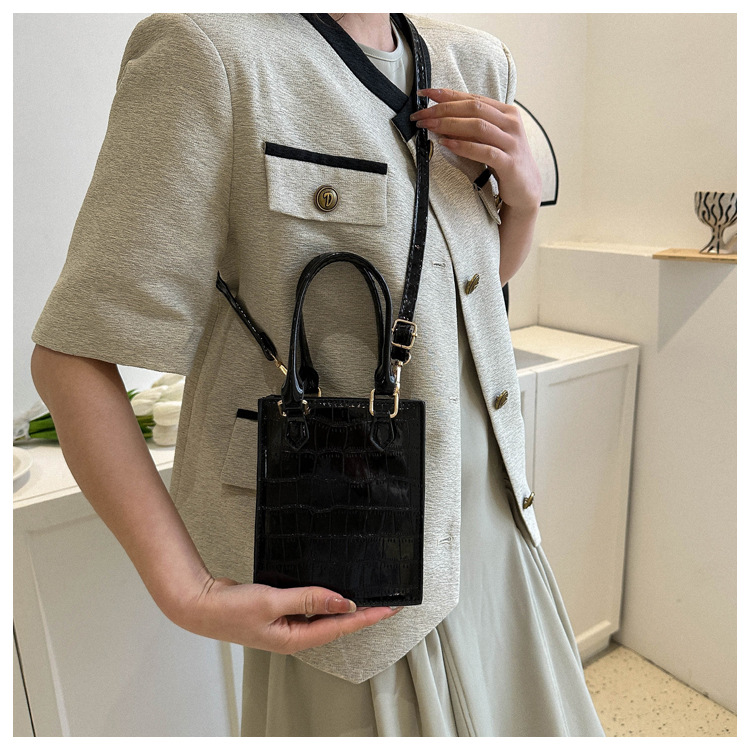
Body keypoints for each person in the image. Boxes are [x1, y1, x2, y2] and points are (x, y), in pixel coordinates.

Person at [30, 12, 606, 737]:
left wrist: (522, 203)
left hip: (494, 523)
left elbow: (468, 297)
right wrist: (186, 590)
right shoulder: (214, 58)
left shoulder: (477, 62)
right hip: (350, 554)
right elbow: (71, 355)